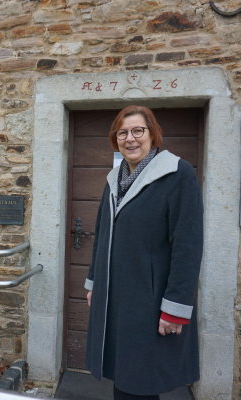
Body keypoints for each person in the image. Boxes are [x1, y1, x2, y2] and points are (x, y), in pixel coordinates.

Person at [84, 105, 203, 400]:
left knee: (141, 380)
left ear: (153, 134)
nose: (130, 139)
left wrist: (175, 307)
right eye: (122, 133)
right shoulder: (114, 179)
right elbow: (102, 234)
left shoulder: (177, 173)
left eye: (138, 130)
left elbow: (188, 245)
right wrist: (93, 282)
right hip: (116, 296)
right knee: (123, 374)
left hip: (150, 300)